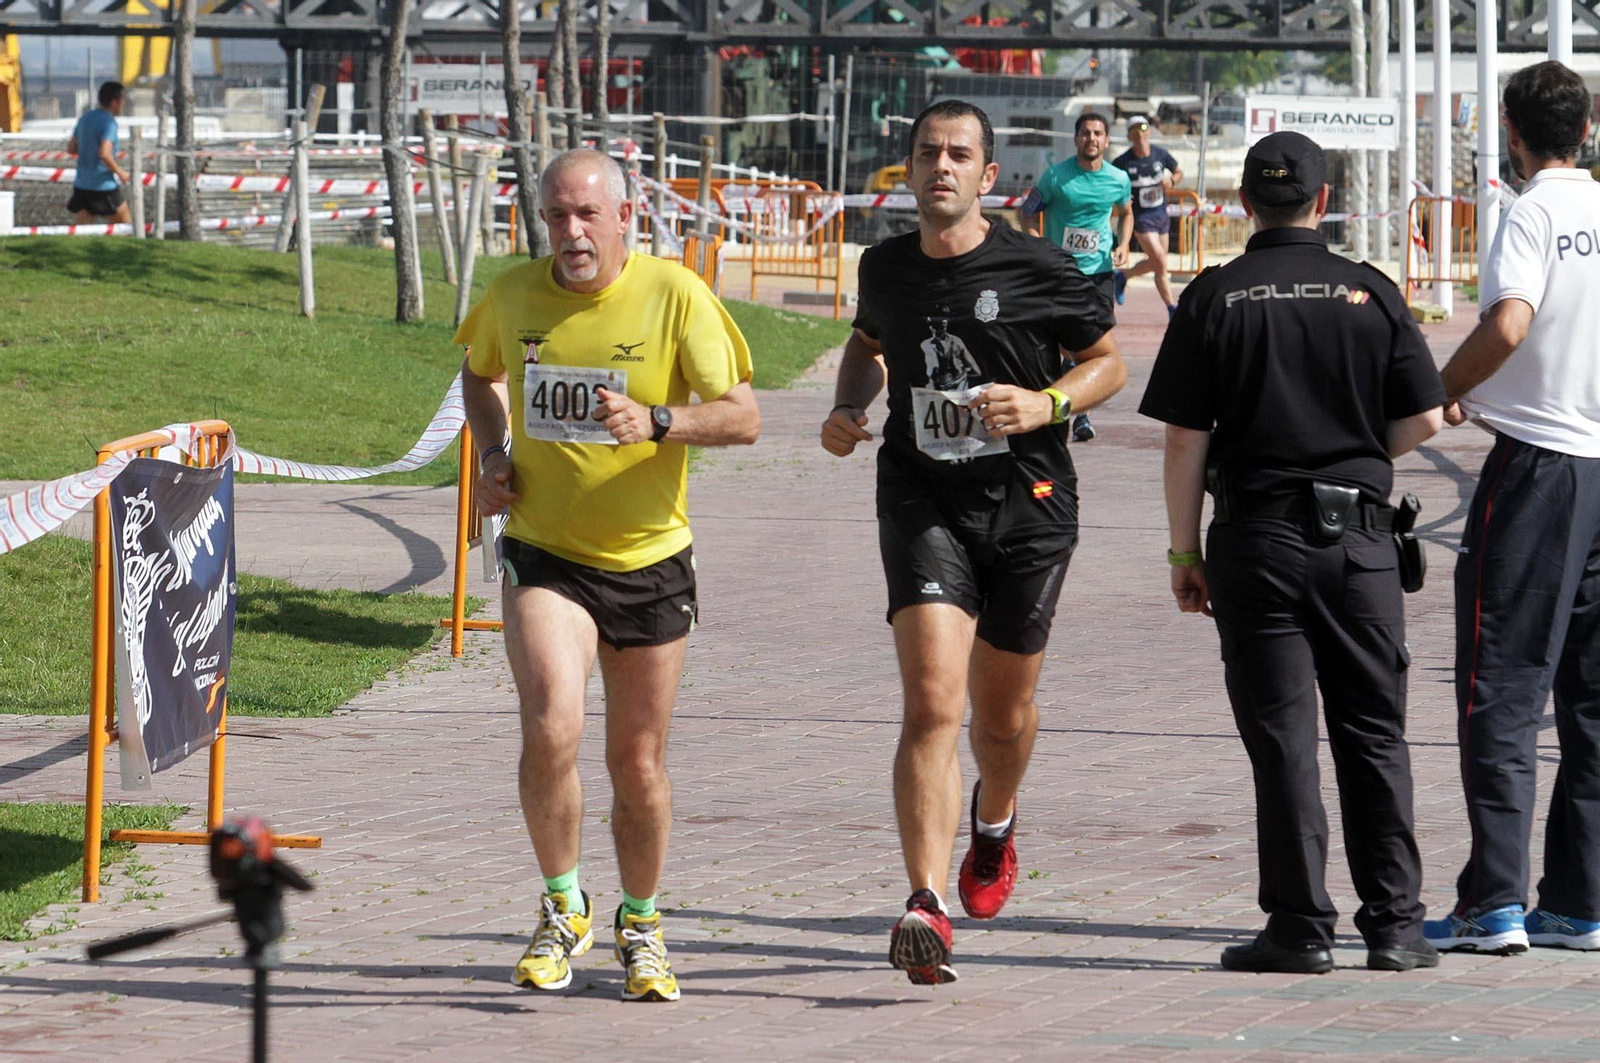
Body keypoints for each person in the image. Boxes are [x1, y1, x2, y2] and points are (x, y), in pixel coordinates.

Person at [821, 99, 1124, 985]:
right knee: (931, 704)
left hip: (1028, 501)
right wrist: (847, 406)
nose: (941, 166)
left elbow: (1108, 361)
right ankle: (925, 903)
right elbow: (867, 345)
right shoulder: (885, 266)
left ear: (989, 176)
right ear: (910, 169)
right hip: (923, 497)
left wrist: (1046, 402)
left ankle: (995, 821)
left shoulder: (1039, 266)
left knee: (1001, 714)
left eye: (959, 154)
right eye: (927, 153)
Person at [456, 148, 760, 1002]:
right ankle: (563, 907)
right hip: (546, 552)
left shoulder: (675, 294)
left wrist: (658, 420)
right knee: (552, 724)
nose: (572, 232)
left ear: (626, 217)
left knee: (638, 761)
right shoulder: (514, 294)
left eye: (587, 214)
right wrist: (493, 454)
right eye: (556, 215)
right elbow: (478, 376)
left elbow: (743, 417)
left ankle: (642, 922)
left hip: (649, 560)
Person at [1140, 131, 1446, 974]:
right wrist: (1356, 454)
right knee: (1374, 733)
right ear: (1325, 200)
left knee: (1283, 738)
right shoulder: (1371, 291)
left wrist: (1183, 552)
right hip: (1363, 545)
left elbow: (1184, 438)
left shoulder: (1213, 296)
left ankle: (1300, 927)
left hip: (1258, 539)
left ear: (1245, 203)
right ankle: (1396, 926)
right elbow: (1425, 417)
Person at [1424, 60, 1600, 956]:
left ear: (1512, 130)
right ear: (1589, 128)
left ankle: (1492, 901)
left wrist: (1444, 387)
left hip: (1541, 468)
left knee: (1501, 683)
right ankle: (1576, 899)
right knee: (1592, 698)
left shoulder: (1530, 213)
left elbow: (1509, 322)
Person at [1020, 111, 1131, 443]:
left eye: (1097, 133)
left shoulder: (1118, 179)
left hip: (1100, 272)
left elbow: (1126, 212)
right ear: (1076, 139)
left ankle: (1081, 411)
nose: (1091, 138)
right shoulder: (1056, 177)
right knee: (1063, 343)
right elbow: (1027, 213)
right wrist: (1038, 246)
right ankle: (1066, 405)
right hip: (1061, 272)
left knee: (1095, 342)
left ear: (1106, 141)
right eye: (1085, 133)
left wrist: (1125, 243)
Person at [1111, 115, 1183, 316]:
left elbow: (1178, 172)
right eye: (1134, 131)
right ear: (1129, 136)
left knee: (1159, 264)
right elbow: (1109, 181)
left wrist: (1172, 181)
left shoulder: (1160, 154)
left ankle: (1123, 276)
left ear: (1149, 132)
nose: (1140, 134)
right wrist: (1120, 198)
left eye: (1142, 129)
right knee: (1159, 260)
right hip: (1140, 217)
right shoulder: (1123, 162)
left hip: (1161, 214)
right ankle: (1171, 307)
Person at [66, 81, 131, 225]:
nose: (124, 103)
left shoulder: (85, 118)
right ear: (114, 102)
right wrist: (122, 173)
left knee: (83, 233)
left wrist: (88, 149)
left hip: (82, 185)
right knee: (126, 229)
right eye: (122, 100)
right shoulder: (110, 123)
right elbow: (105, 154)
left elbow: (71, 148)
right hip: (103, 186)